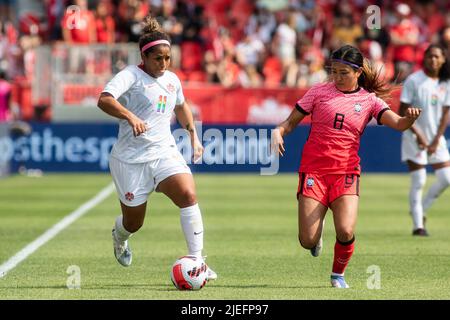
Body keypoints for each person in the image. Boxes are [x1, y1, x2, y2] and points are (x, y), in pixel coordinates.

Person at [272, 45, 421, 288]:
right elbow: (289, 123)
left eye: (344, 73)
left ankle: (337, 275)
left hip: (346, 172)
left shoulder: (369, 101)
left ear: (358, 72)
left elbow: (399, 124)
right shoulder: (318, 92)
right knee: (307, 240)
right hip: (314, 171)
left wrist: (409, 119)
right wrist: (278, 131)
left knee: (345, 229)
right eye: (334, 72)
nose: (338, 78)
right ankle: (316, 236)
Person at [97, 16, 217, 281]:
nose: (163, 64)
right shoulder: (130, 76)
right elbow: (104, 100)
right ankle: (120, 237)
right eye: (158, 59)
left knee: (188, 194)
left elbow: (181, 106)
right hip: (130, 160)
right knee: (133, 223)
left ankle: (198, 260)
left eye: (168, 58)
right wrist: (130, 117)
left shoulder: (172, 80)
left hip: (164, 152)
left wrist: (193, 136)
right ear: (144, 56)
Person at [399, 44, 450, 237]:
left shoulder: (446, 82)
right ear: (424, 58)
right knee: (419, 180)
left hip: (436, 138)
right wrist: (419, 135)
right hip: (413, 137)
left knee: (446, 178)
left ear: (443, 59)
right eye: (430, 56)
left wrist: (436, 139)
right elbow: (402, 111)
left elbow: (446, 113)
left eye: (437, 57)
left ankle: (421, 208)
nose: (433, 60)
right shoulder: (414, 80)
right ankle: (418, 226)